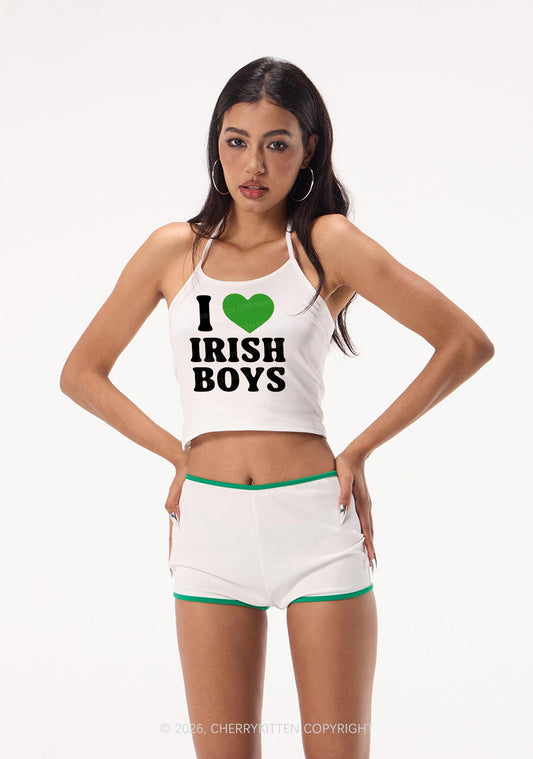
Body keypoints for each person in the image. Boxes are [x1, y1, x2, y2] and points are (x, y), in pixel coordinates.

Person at [59, 56, 495, 759]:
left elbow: (464, 343)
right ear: (216, 145)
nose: (253, 164)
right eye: (236, 141)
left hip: (315, 527)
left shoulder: (325, 244)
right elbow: (82, 373)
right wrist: (180, 454)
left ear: (309, 149)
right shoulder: (174, 251)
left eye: (276, 143)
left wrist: (358, 450)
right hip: (209, 533)